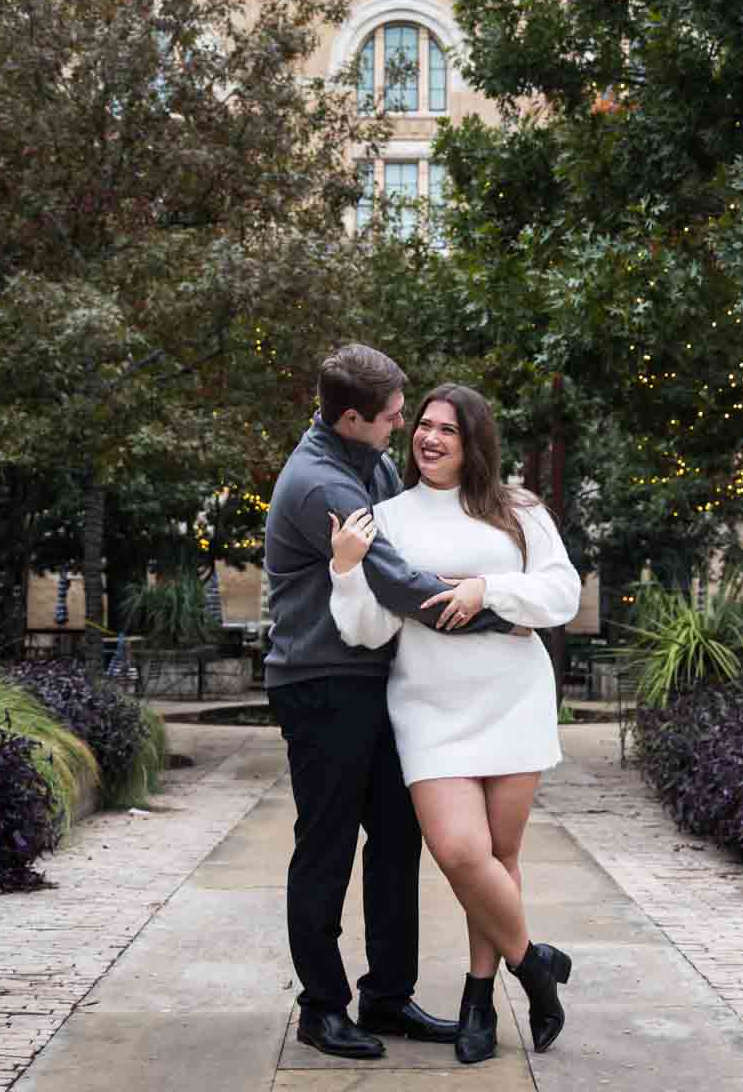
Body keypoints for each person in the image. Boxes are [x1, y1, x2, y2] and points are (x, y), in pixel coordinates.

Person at [264, 343, 519, 1062]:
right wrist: (500, 609)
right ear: (351, 418)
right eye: (393, 418)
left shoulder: (367, 462)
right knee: (326, 846)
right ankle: (322, 1007)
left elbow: (409, 557)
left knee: (397, 839)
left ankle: (385, 996)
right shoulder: (321, 484)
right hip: (319, 682)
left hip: (373, 675)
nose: (403, 430)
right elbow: (400, 582)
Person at [327, 381, 581, 1066]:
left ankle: (479, 997)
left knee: (498, 859)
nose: (431, 438)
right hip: (429, 702)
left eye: (449, 430)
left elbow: (561, 592)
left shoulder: (517, 509)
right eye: (425, 426)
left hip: (511, 690)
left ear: (474, 443)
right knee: (460, 852)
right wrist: (347, 572)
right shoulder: (389, 515)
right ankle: (534, 966)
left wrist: (486, 588)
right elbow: (365, 629)